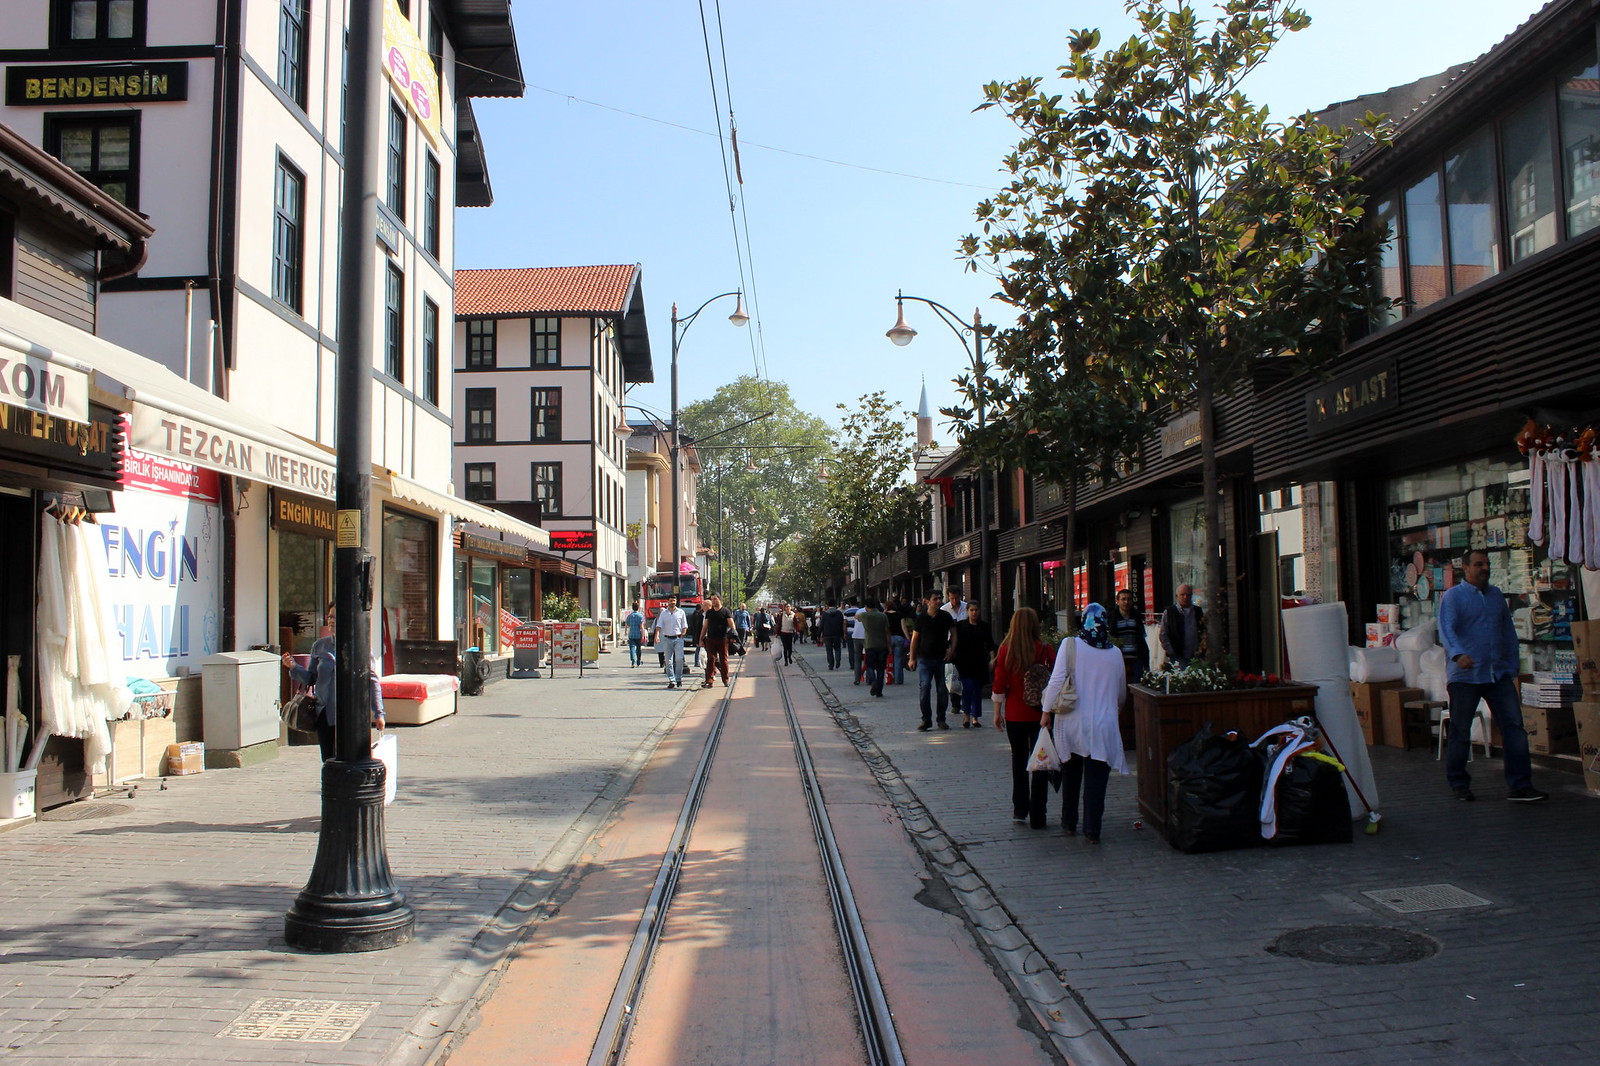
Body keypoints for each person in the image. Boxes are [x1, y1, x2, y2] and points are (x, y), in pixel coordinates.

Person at [1438, 549, 1546, 802]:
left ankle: (1520, 786)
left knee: (1514, 728)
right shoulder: (1453, 597)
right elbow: (1446, 629)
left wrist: (1513, 664)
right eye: (1478, 564)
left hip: (1498, 674)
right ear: (1466, 568)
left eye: (1486, 564)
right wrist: (1457, 654)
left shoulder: (1496, 595)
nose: (1485, 568)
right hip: (1465, 676)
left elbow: (1507, 631)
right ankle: (1458, 783)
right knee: (1460, 730)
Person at [1042, 603, 1129, 844]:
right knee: (1097, 779)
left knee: (1071, 774)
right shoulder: (1115, 653)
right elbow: (1121, 693)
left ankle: (1069, 822)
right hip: (1104, 725)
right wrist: (1114, 710)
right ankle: (1093, 829)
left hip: (1072, 722)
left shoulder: (1070, 645)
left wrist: (1046, 711)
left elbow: (1056, 680)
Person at [282, 603, 384, 763]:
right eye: (330, 617)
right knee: (329, 759)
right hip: (325, 712)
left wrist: (378, 713)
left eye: (336, 617)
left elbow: (372, 681)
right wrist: (294, 667)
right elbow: (311, 679)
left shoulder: (360, 646)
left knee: (350, 760)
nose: (332, 621)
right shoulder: (320, 646)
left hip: (351, 714)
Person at [990, 607, 1055, 828]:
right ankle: (1039, 814)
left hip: (1015, 713)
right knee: (1040, 763)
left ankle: (1020, 809)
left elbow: (999, 682)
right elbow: (1056, 680)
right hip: (1040, 714)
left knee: (1018, 761)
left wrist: (997, 712)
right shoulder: (1045, 649)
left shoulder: (1006, 650)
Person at [907, 592, 958, 731]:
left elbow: (954, 634)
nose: (939, 601)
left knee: (942, 690)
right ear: (927, 601)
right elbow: (915, 639)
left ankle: (941, 719)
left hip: (942, 659)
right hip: (925, 659)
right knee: (924, 688)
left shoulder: (945, 616)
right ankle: (926, 719)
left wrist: (951, 650)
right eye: (935, 599)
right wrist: (912, 658)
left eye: (940, 598)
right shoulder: (922, 618)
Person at [954, 602, 996, 728]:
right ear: (967, 611)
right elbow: (954, 642)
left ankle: (975, 717)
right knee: (968, 688)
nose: (974, 613)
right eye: (971, 610)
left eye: (976, 610)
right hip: (964, 662)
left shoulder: (984, 626)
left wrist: (992, 659)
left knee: (977, 690)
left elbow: (990, 644)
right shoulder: (961, 626)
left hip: (979, 662)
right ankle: (966, 715)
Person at [1159, 584, 1204, 669]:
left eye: (1188, 594)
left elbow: (1203, 630)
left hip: (1196, 656)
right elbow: (1163, 634)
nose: (1185, 597)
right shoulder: (1169, 612)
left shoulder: (1198, 611)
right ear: (1177, 596)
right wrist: (1171, 651)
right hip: (1178, 657)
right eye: (1182, 594)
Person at [1111, 589, 1149, 681]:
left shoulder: (1137, 617)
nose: (1126, 602)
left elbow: (1142, 639)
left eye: (1129, 599)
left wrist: (1146, 663)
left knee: (1136, 684)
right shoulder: (1112, 618)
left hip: (1136, 658)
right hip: (1119, 658)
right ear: (1117, 601)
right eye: (1123, 599)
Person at [652, 594, 689, 689]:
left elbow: (684, 625)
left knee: (679, 659)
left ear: (676, 602)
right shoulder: (664, 613)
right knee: (668, 661)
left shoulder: (681, 612)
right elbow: (659, 625)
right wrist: (656, 636)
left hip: (678, 638)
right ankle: (672, 680)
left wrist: (683, 634)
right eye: (671, 600)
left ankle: (678, 678)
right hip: (667, 639)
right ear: (668, 601)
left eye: (674, 601)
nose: (672, 602)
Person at [698, 593, 734, 689]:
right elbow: (705, 626)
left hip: (723, 639)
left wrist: (733, 636)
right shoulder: (709, 612)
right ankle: (709, 681)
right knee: (711, 659)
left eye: (715, 599)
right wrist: (701, 639)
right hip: (711, 639)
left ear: (719, 599)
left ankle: (725, 680)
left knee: (723, 660)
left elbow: (732, 625)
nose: (713, 601)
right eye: (712, 599)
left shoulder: (725, 611)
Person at [859, 599, 890, 696]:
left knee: (870, 666)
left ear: (866, 607)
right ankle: (879, 691)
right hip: (882, 644)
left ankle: (873, 682)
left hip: (870, 644)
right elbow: (887, 631)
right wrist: (889, 645)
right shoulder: (883, 616)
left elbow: (856, 617)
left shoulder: (864, 615)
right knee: (881, 668)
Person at [884, 597, 909, 685]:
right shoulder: (899, 614)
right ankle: (898, 679)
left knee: (889, 658)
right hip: (899, 638)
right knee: (898, 659)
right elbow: (904, 627)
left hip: (888, 638)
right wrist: (908, 638)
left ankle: (890, 677)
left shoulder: (884, 615)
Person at [819, 601, 846, 670]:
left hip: (827, 634)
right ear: (835, 605)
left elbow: (821, 625)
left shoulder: (825, 614)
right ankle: (838, 659)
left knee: (829, 650)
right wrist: (842, 633)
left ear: (828, 605)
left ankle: (831, 665)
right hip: (837, 634)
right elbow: (841, 623)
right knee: (837, 648)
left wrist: (819, 634)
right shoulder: (839, 613)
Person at [623, 600, 646, 668]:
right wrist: (643, 635)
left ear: (632, 608)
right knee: (638, 648)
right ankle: (638, 661)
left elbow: (626, 624)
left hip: (631, 634)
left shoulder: (629, 616)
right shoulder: (640, 616)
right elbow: (642, 627)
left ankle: (633, 660)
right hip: (638, 634)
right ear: (638, 608)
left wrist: (625, 632)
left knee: (632, 648)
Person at [849, 606, 868, 684]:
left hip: (856, 635)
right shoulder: (870, 612)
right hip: (866, 636)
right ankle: (869, 678)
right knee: (868, 657)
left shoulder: (859, 611)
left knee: (857, 658)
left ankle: (857, 679)